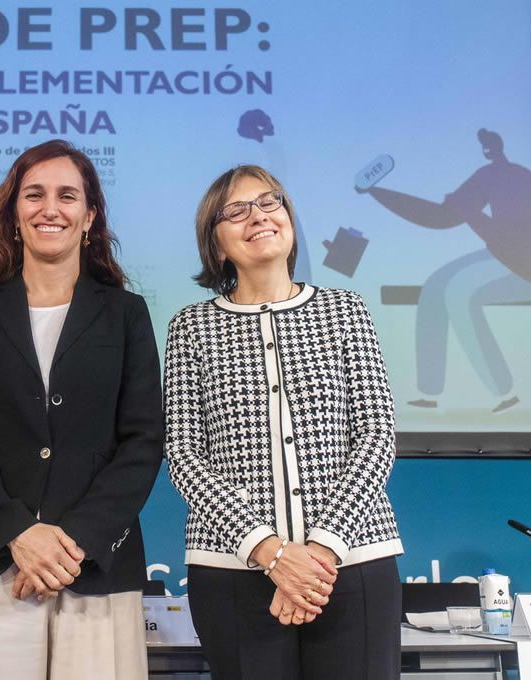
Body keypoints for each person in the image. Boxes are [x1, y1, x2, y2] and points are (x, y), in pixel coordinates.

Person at [0, 139, 163, 680]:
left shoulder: (127, 314)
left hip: (94, 568)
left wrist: (71, 544)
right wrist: (20, 534)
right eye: (33, 195)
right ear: (14, 215)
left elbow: (143, 441)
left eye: (67, 195)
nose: (49, 208)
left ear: (90, 216)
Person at [165, 165, 403, 679]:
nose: (258, 216)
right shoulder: (191, 327)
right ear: (216, 244)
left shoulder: (345, 311)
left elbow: (376, 436)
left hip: (352, 563)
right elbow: (184, 455)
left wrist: (318, 555)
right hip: (233, 571)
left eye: (269, 202)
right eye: (236, 210)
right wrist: (271, 554)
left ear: (289, 220)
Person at [359, 128, 531, 413]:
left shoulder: (522, 179)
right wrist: (379, 193)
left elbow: (511, 239)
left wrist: (470, 211)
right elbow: (441, 217)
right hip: (503, 256)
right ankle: (429, 393)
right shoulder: (486, 176)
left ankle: (504, 393)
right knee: (435, 286)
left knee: (459, 293)